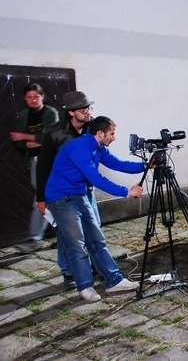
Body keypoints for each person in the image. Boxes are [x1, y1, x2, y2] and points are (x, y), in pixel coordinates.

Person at [45, 116, 145, 302]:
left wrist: (146, 165)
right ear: (100, 134)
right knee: (77, 243)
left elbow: (118, 164)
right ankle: (85, 286)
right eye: (112, 134)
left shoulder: (98, 148)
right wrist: (126, 191)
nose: (114, 137)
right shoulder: (79, 148)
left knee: (97, 239)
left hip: (79, 195)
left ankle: (114, 280)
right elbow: (95, 178)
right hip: (61, 199)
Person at [35, 91, 96, 288]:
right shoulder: (54, 133)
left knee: (93, 228)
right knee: (67, 233)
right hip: (62, 192)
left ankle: (94, 266)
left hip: (86, 188)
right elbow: (43, 167)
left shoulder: (92, 129)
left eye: (88, 108)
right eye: (83, 109)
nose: (87, 112)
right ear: (71, 112)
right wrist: (41, 198)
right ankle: (68, 271)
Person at [11, 83, 59, 254]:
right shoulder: (24, 115)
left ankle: (35, 238)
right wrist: (34, 140)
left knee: (42, 197)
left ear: (42, 97)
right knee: (46, 197)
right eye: (29, 97)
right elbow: (17, 142)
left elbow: (51, 138)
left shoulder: (50, 113)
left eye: (36, 96)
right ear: (25, 99)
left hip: (52, 160)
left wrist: (26, 136)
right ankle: (62, 233)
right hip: (35, 160)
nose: (33, 100)